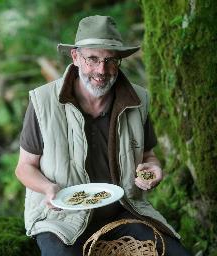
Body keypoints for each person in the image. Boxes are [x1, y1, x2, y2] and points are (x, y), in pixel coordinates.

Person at [15, 15, 191, 256]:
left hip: (125, 211)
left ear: (119, 61)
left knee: (174, 253)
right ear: (75, 57)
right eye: (93, 59)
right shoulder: (43, 102)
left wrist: (153, 170)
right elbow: (24, 167)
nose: (101, 70)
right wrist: (48, 189)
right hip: (61, 220)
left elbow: (149, 156)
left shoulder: (137, 101)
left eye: (110, 60)